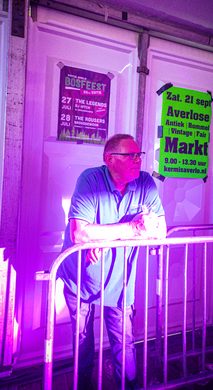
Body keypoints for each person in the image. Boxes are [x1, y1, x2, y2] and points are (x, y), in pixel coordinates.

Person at [57, 134, 166, 390]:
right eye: (131, 156)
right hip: (81, 278)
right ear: (110, 160)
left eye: (140, 155)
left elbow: (159, 229)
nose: (138, 160)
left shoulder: (146, 183)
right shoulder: (90, 180)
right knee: (82, 341)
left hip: (120, 281)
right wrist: (132, 227)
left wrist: (103, 238)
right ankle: (82, 385)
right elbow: (80, 234)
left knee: (124, 343)